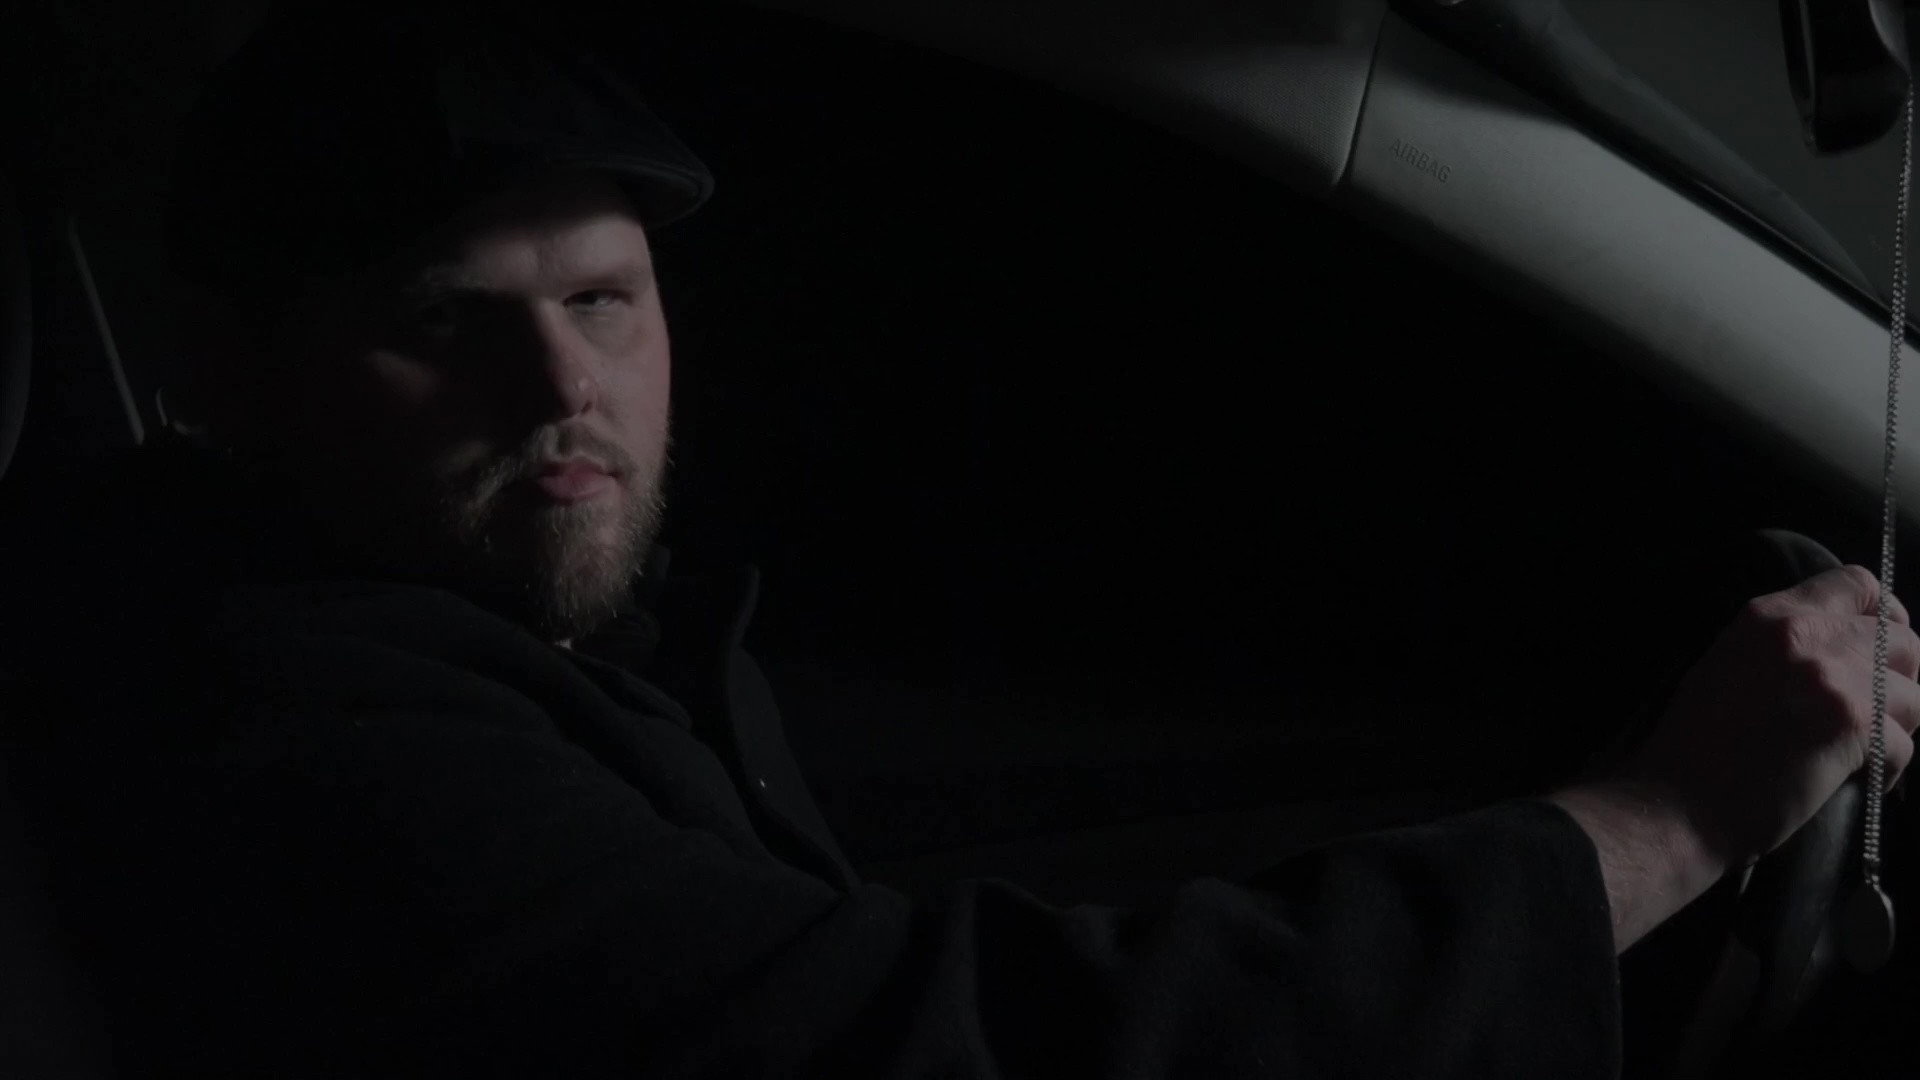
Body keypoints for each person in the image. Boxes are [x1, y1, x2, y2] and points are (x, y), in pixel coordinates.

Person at [7, 4, 1919, 1077]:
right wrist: (1671, 824)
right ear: (236, 384)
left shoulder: (509, 637)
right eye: (446, 322)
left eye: (601, 300)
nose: (561, 385)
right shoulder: (281, 713)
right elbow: (918, 1050)